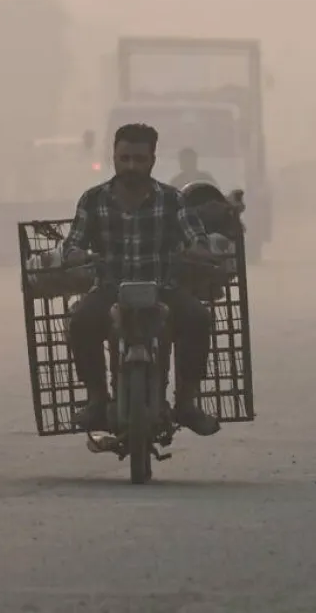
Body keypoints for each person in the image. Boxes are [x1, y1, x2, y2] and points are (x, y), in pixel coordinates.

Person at [62, 123, 222, 437]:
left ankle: (187, 403)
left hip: (163, 288)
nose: (131, 166)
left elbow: (195, 237)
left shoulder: (173, 199)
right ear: (114, 158)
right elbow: (74, 243)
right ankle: (96, 399)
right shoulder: (92, 200)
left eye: (138, 159)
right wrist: (75, 255)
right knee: (80, 321)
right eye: (124, 159)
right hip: (110, 288)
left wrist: (200, 251)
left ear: (152, 159)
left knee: (198, 318)